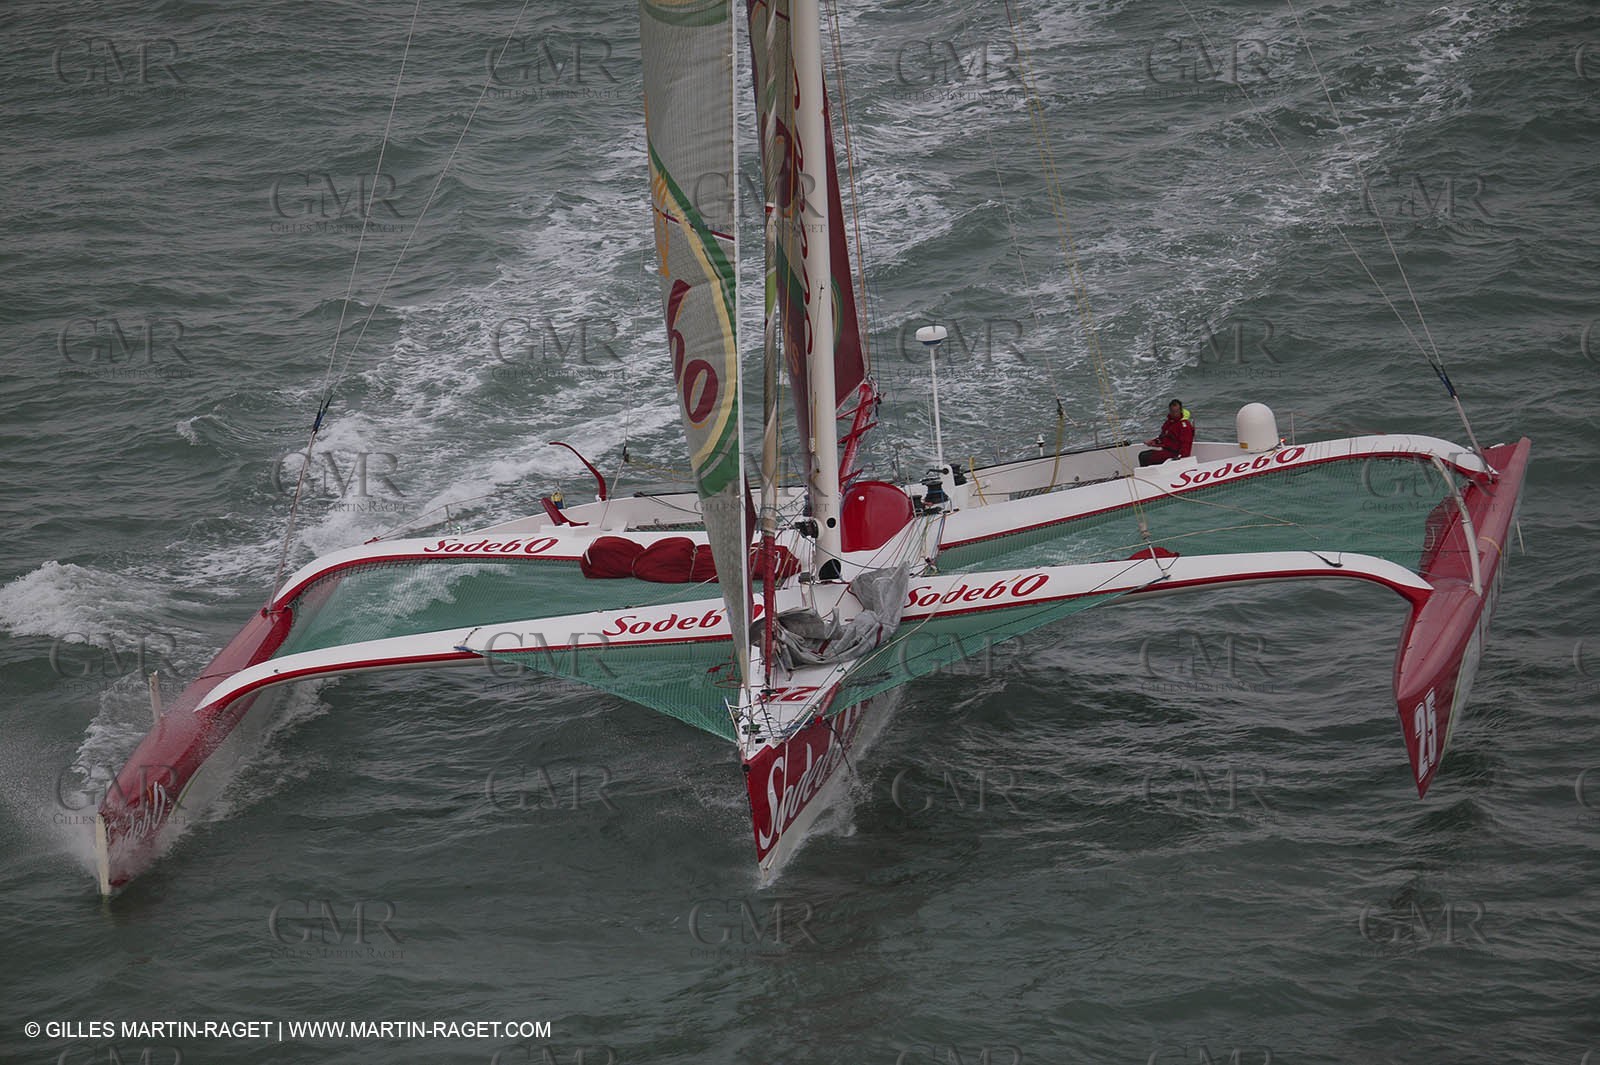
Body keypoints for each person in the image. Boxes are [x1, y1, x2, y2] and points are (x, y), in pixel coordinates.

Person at [1139, 399, 1194, 467]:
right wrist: (1154, 442)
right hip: (1166, 451)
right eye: (1172, 411)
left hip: (1175, 454)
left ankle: (1146, 475)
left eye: (1176, 411)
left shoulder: (1184, 426)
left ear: (1180, 410)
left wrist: (1180, 457)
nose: (1174, 414)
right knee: (1143, 454)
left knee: (1145, 457)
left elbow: (1186, 444)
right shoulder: (1169, 423)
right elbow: (1163, 437)